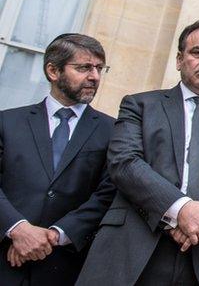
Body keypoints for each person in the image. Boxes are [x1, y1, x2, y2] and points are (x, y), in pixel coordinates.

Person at [77, 19, 199, 286]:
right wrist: (181, 210)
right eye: (198, 52)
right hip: (138, 245)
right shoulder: (140, 105)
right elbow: (125, 162)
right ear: (179, 59)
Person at [0, 34, 115, 285]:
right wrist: (18, 229)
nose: (94, 76)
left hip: (64, 267)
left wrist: (52, 236)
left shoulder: (115, 131)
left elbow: (107, 194)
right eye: (84, 67)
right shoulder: (7, 122)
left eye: (99, 68)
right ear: (53, 70)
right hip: (4, 258)